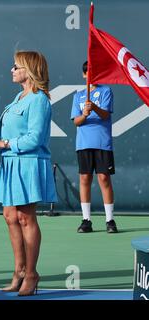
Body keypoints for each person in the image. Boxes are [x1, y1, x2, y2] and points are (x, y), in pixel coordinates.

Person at [0, 51, 57, 296]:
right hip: (10, 164)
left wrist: (4, 143)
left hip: (28, 163)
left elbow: (35, 138)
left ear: (30, 70)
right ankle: (18, 271)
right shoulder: (19, 97)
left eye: (16, 67)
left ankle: (31, 273)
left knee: (26, 218)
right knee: (10, 216)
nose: (12, 70)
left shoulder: (39, 100)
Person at [71, 61, 118, 233]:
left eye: (94, 72)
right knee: (84, 179)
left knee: (104, 178)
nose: (90, 75)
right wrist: (84, 114)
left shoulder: (106, 91)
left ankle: (110, 220)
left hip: (102, 143)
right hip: (83, 144)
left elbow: (105, 115)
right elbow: (76, 121)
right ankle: (86, 220)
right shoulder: (78, 96)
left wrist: (95, 107)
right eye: (88, 72)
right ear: (84, 75)